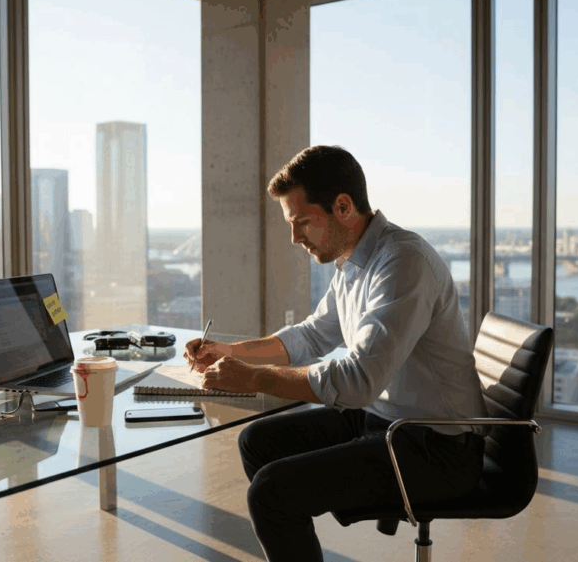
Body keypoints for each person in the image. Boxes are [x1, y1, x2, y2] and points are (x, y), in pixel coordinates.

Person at [184, 145, 488, 562]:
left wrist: (252, 378)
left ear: (343, 206)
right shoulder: (351, 261)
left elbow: (357, 382)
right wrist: (231, 352)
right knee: (257, 442)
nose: (294, 238)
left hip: (436, 449)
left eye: (302, 223)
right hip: (386, 420)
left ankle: (292, 521)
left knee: (273, 491)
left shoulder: (403, 263)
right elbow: (311, 336)